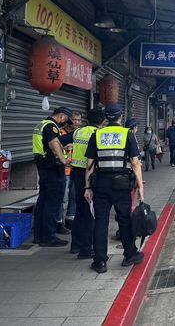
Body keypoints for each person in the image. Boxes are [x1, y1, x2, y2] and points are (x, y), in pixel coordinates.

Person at [84, 104, 144, 273]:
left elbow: (89, 164)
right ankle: (130, 254)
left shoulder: (97, 135)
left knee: (101, 221)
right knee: (124, 219)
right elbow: (135, 163)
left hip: (100, 183)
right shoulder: (127, 134)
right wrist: (140, 185)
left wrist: (87, 186)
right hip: (121, 184)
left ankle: (100, 261)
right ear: (120, 116)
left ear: (105, 117)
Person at [32, 107, 72, 246]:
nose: (66, 124)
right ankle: (49, 236)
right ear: (61, 116)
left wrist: (62, 149)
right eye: (66, 120)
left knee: (43, 200)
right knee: (53, 202)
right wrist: (63, 159)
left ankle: (39, 235)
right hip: (52, 168)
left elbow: (48, 145)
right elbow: (53, 143)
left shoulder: (41, 124)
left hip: (43, 166)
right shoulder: (51, 126)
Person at [69, 108, 105, 258]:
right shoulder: (97, 134)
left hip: (76, 174)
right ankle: (86, 248)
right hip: (89, 175)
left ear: (87, 120)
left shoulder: (78, 132)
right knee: (90, 212)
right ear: (102, 121)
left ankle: (75, 245)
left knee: (80, 211)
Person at [58, 110, 82, 232]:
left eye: (79, 120)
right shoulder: (61, 133)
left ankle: (70, 220)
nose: (77, 122)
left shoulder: (79, 134)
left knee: (74, 197)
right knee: (63, 198)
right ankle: (59, 222)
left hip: (75, 170)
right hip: (63, 170)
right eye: (74, 120)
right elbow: (54, 146)